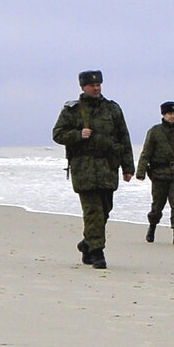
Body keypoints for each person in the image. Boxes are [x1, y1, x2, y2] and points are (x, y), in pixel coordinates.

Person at [52, 70, 134, 269]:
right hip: (84, 169)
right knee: (93, 212)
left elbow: (124, 138)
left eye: (99, 85)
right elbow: (58, 134)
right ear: (83, 87)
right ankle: (98, 252)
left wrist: (128, 167)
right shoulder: (72, 110)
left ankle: (87, 244)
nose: (96, 88)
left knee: (105, 210)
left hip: (107, 167)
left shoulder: (112, 109)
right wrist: (78, 134)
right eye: (92, 85)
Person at [136, 101, 174, 245]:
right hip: (158, 174)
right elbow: (146, 153)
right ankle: (152, 228)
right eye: (169, 113)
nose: (172, 116)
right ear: (163, 114)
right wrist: (141, 172)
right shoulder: (154, 132)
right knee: (157, 206)